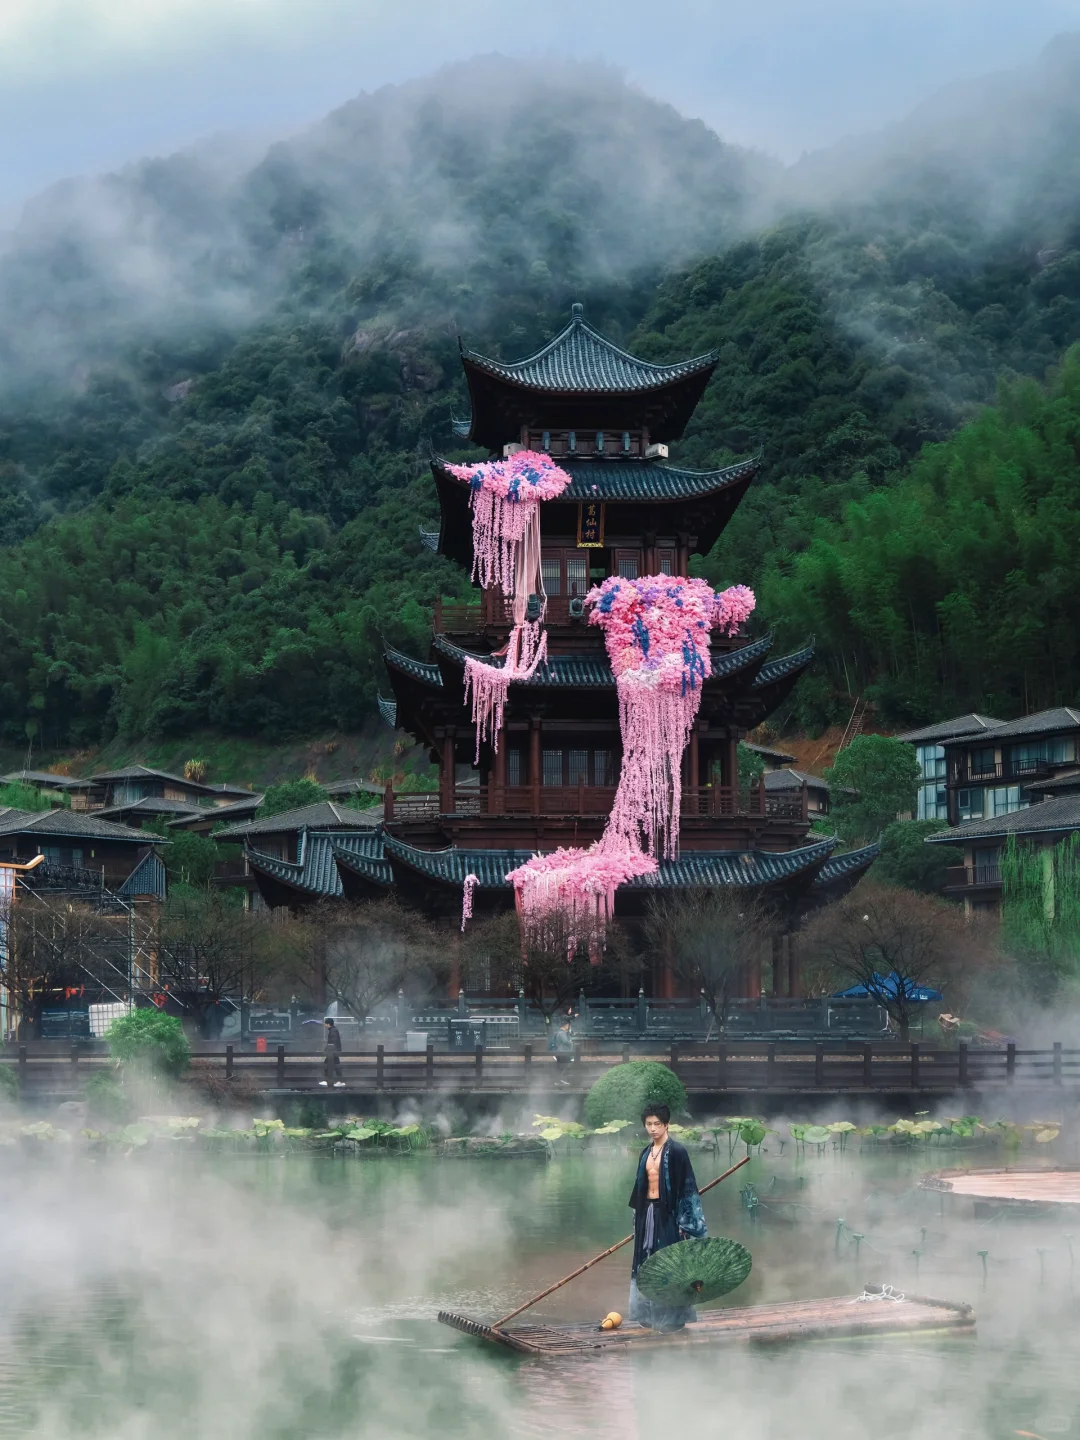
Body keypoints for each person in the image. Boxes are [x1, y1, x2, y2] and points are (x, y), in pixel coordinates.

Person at [627, 1100, 707, 1331]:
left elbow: (687, 1188)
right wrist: (637, 1219)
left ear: (667, 1125)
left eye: (657, 1124)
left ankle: (673, 1319)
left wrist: (686, 1222)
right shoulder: (645, 1152)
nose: (653, 1128)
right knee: (645, 1262)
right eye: (649, 1124)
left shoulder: (677, 1152)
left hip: (669, 1216)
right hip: (647, 1215)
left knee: (669, 1264)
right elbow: (638, 1188)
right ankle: (647, 1315)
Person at [548, 1016, 574, 1083]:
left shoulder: (557, 1033)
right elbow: (565, 1041)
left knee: (561, 1067)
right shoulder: (562, 1033)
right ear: (566, 1025)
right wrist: (571, 1042)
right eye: (568, 1025)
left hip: (559, 1052)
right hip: (563, 1052)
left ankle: (558, 1081)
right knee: (567, 1066)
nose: (568, 1027)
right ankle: (561, 1079)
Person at [321, 1016, 344, 1088]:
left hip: (333, 1052)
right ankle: (339, 1081)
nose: (324, 1025)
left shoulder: (333, 1031)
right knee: (336, 1065)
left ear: (328, 1024)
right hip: (334, 1051)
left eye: (325, 1024)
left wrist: (328, 1050)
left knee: (327, 1064)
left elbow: (332, 1042)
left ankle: (328, 1080)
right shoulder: (333, 1030)